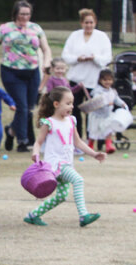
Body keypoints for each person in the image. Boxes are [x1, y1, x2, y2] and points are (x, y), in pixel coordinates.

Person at [24, 87, 105, 227]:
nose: (72, 106)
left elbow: (78, 142)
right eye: (68, 103)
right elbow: (38, 142)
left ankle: (33, 215)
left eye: (72, 103)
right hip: (56, 164)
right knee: (78, 180)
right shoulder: (48, 122)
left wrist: (94, 154)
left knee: (61, 197)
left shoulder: (71, 121)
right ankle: (83, 215)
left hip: (67, 163)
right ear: (56, 104)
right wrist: (35, 153)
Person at [0, 0, 53, 153]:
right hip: (11, 71)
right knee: (22, 106)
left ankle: (11, 131)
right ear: (15, 13)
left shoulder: (36, 28)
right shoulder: (5, 28)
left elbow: (46, 48)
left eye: (27, 14)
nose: (25, 17)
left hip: (32, 71)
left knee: (30, 108)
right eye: (22, 14)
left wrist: (47, 61)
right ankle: (22, 141)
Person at [61, 9, 112, 135]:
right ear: (81, 23)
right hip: (77, 79)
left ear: (95, 23)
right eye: (86, 23)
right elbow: (66, 55)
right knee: (75, 109)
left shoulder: (102, 37)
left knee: (94, 111)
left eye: (91, 23)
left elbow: (107, 58)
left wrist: (95, 58)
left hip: (94, 80)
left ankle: (92, 137)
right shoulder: (74, 36)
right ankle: (76, 136)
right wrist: (77, 58)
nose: (88, 25)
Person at [87, 69, 129, 154]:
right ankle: (90, 146)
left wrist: (123, 104)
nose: (107, 82)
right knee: (94, 131)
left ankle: (108, 145)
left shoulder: (112, 91)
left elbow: (117, 99)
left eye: (109, 80)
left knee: (109, 129)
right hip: (97, 115)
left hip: (107, 115)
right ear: (100, 80)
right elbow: (97, 101)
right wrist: (105, 103)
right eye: (105, 80)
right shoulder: (98, 91)